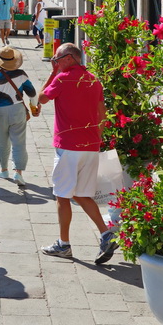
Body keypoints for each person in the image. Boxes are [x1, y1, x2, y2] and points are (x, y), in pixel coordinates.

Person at [37, 43, 116, 264]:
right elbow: (102, 113)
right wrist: (96, 138)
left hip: (68, 145)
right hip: (91, 145)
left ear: (70, 58)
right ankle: (106, 234)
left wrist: (53, 74)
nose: (55, 62)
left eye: (57, 59)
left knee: (62, 194)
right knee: (81, 193)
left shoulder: (62, 79)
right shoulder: (93, 79)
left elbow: (41, 98)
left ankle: (64, 245)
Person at [0, 46, 37, 187]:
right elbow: (32, 93)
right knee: (19, 142)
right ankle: (18, 172)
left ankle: (4, 170)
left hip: (1, 112)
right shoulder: (21, 75)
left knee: (2, 141)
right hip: (18, 111)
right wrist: (34, 106)